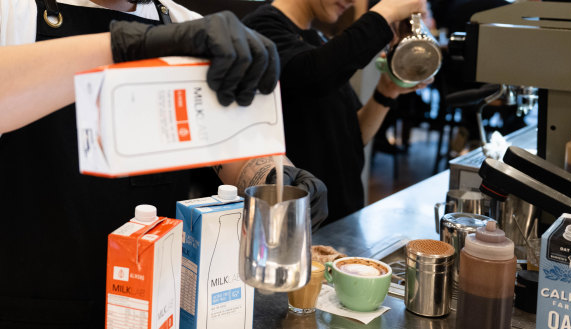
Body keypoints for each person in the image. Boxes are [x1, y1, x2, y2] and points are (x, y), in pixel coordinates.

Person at [0, 1, 327, 327]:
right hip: (33, 304)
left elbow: (230, 144)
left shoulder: (185, 22)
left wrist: (276, 176)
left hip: (154, 306)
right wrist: (125, 46)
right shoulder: (15, 13)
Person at [243, 0, 432, 225]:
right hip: (294, 225)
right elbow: (313, 76)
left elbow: (354, 134)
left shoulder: (315, 39)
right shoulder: (259, 29)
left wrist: (387, 90)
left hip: (343, 219)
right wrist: (386, 12)